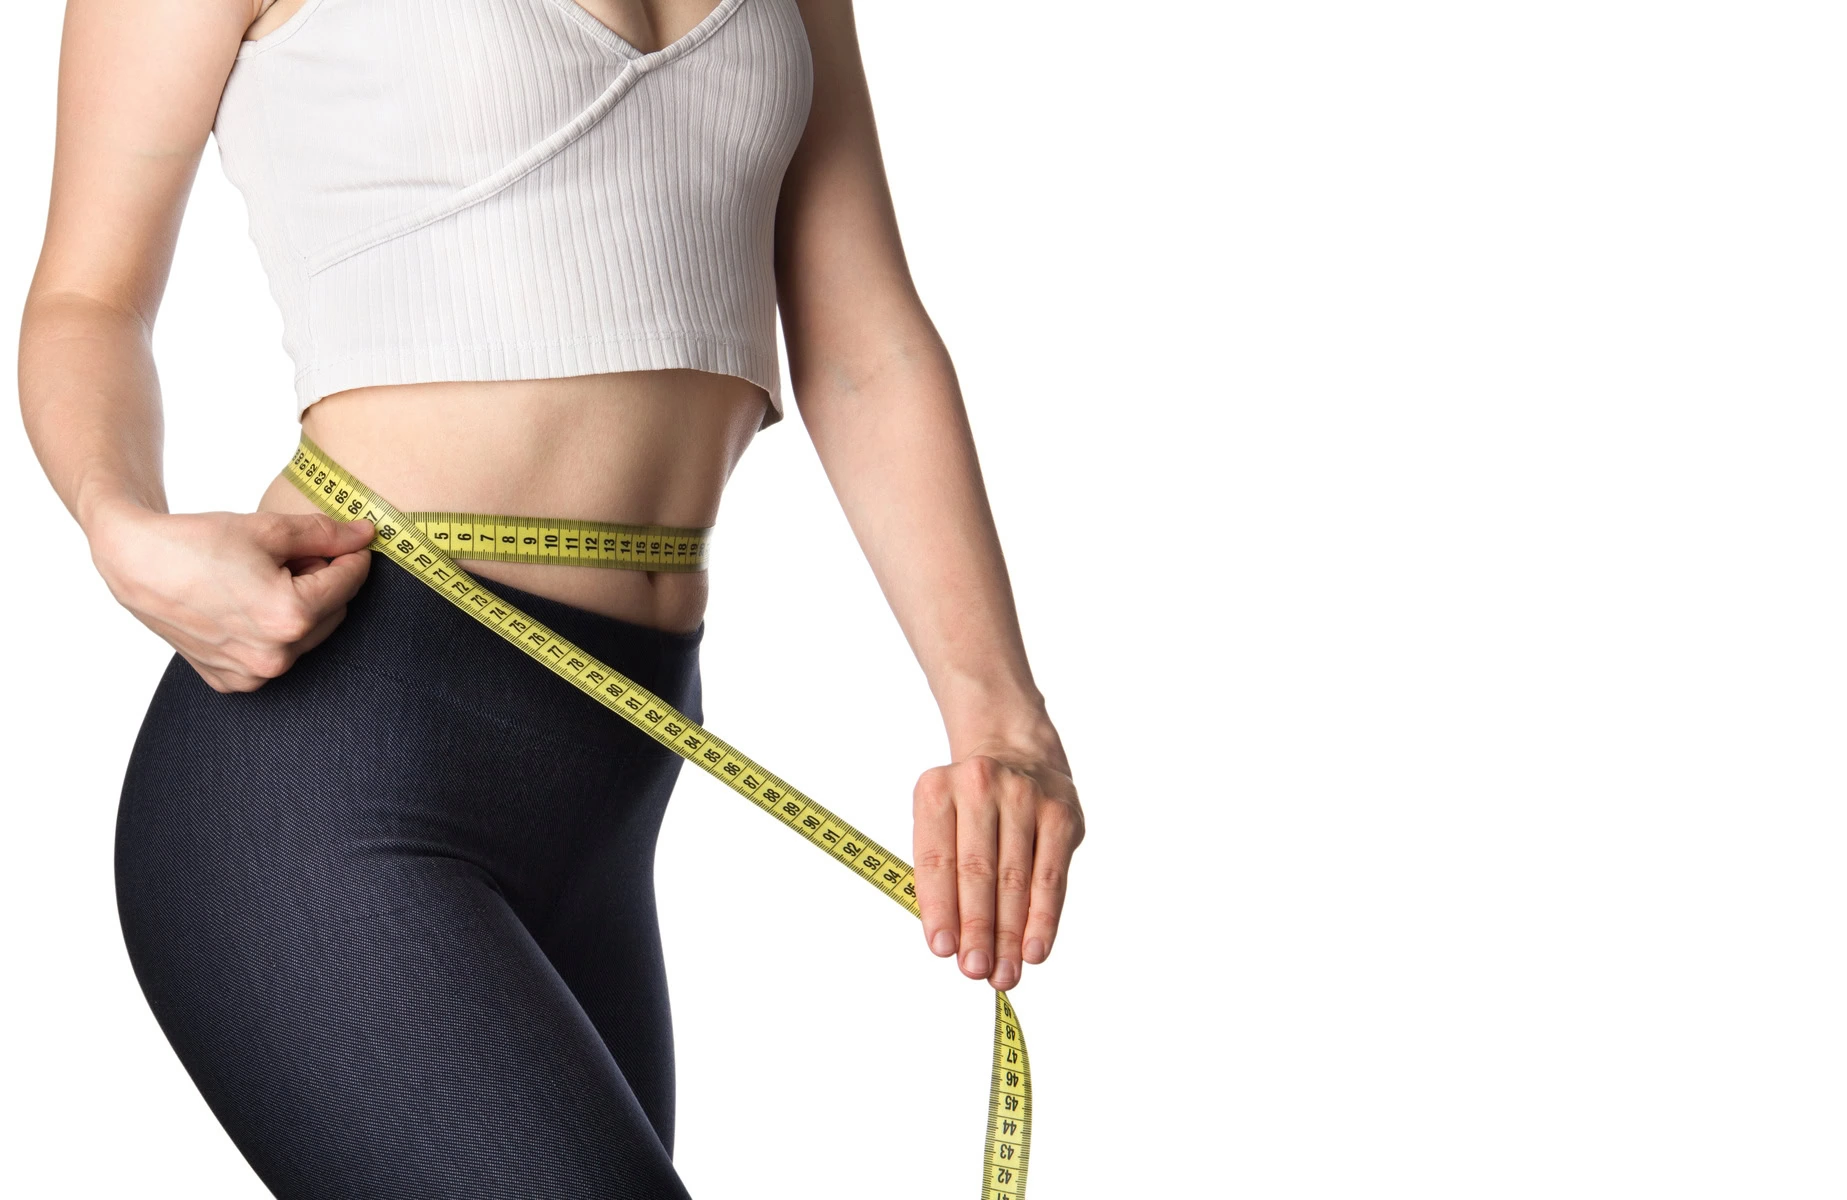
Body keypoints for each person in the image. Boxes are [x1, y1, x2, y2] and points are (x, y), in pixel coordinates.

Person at [17, 0, 1084, 1195]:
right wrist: (123, 527)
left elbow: (859, 337)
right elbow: (88, 299)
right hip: (339, 762)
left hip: (613, 777)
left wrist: (998, 715)